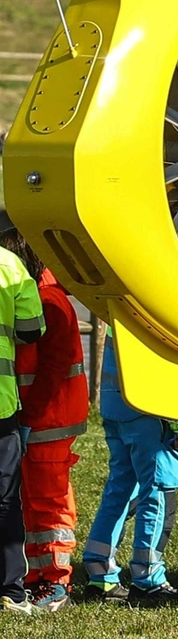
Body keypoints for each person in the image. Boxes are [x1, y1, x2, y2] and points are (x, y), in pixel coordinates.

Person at [79, 329, 178, 607]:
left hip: (115, 404)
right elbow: (167, 366)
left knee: (120, 490)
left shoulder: (125, 294)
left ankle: (100, 576)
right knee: (158, 494)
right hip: (148, 412)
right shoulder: (161, 298)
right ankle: (148, 581)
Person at [0, 229, 87, 612]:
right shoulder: (43, 294)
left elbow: (52, 368)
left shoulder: (48, 301)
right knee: (31, 500)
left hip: (48, 418)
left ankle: (56, 581)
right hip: (39, 415)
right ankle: (37, 576)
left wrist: (30, 417)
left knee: (49, 503)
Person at [0, 243, 45, 615]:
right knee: (5, 497)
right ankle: (11, 591)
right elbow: (31, 331)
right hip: (0, 404)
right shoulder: (10, 265)